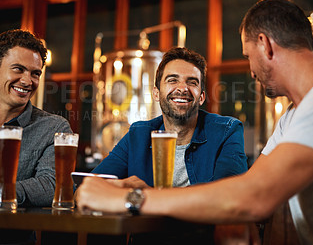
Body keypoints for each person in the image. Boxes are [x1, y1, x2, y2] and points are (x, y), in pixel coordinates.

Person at [76, 0, 313, 245]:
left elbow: (256, 196)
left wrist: (132, 200)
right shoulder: (293, 116)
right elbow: (249, 185)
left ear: (266, 46)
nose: (250, 71)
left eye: (248, 56)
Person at [0, 29, 72, 244]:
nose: (27, 81)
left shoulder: (53, 127)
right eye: (18, 69)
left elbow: (51, 186)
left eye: (35, 73)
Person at [91, 46, 248, 188]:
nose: (182, 88)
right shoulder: (138, 135)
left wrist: (148, 196)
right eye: (172, 80)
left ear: (201, 97)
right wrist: (121, 186)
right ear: (156, 93)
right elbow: (87, 187)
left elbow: (230, 194)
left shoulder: (227, 131)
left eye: (192, 82)